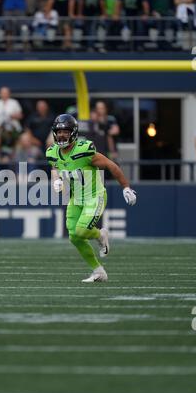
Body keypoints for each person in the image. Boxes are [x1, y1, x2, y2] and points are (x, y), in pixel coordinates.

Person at [46, 114, 136, 283]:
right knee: (74, 237)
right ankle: (99, 271)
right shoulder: (52, 152)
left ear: (73, 133)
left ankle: (101, 236)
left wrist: (126, 187)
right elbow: (55, 166)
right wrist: (56, 179)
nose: (62, 135)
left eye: (66, 131)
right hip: (76, 198)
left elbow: (110, 165)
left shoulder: (84, 150)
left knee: (81, 231)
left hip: (95, 196)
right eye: (59, 132)